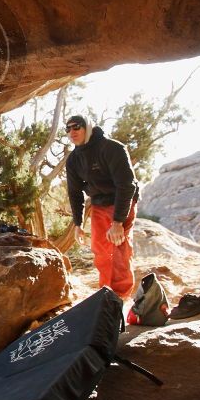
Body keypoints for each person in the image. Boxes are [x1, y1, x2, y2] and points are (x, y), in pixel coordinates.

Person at [65, 115, 139, 299]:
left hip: (122, 200)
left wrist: (117, 222)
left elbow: (127, 186)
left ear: (87, 127)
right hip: (99, 203)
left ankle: (121, 297)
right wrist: (78, 223)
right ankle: (106, 294)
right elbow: (75, 193)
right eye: (68, 129)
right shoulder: (74, 159)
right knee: (101, 251)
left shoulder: (112, 148)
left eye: (76, 127)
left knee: (119, 249)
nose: (71, 132)